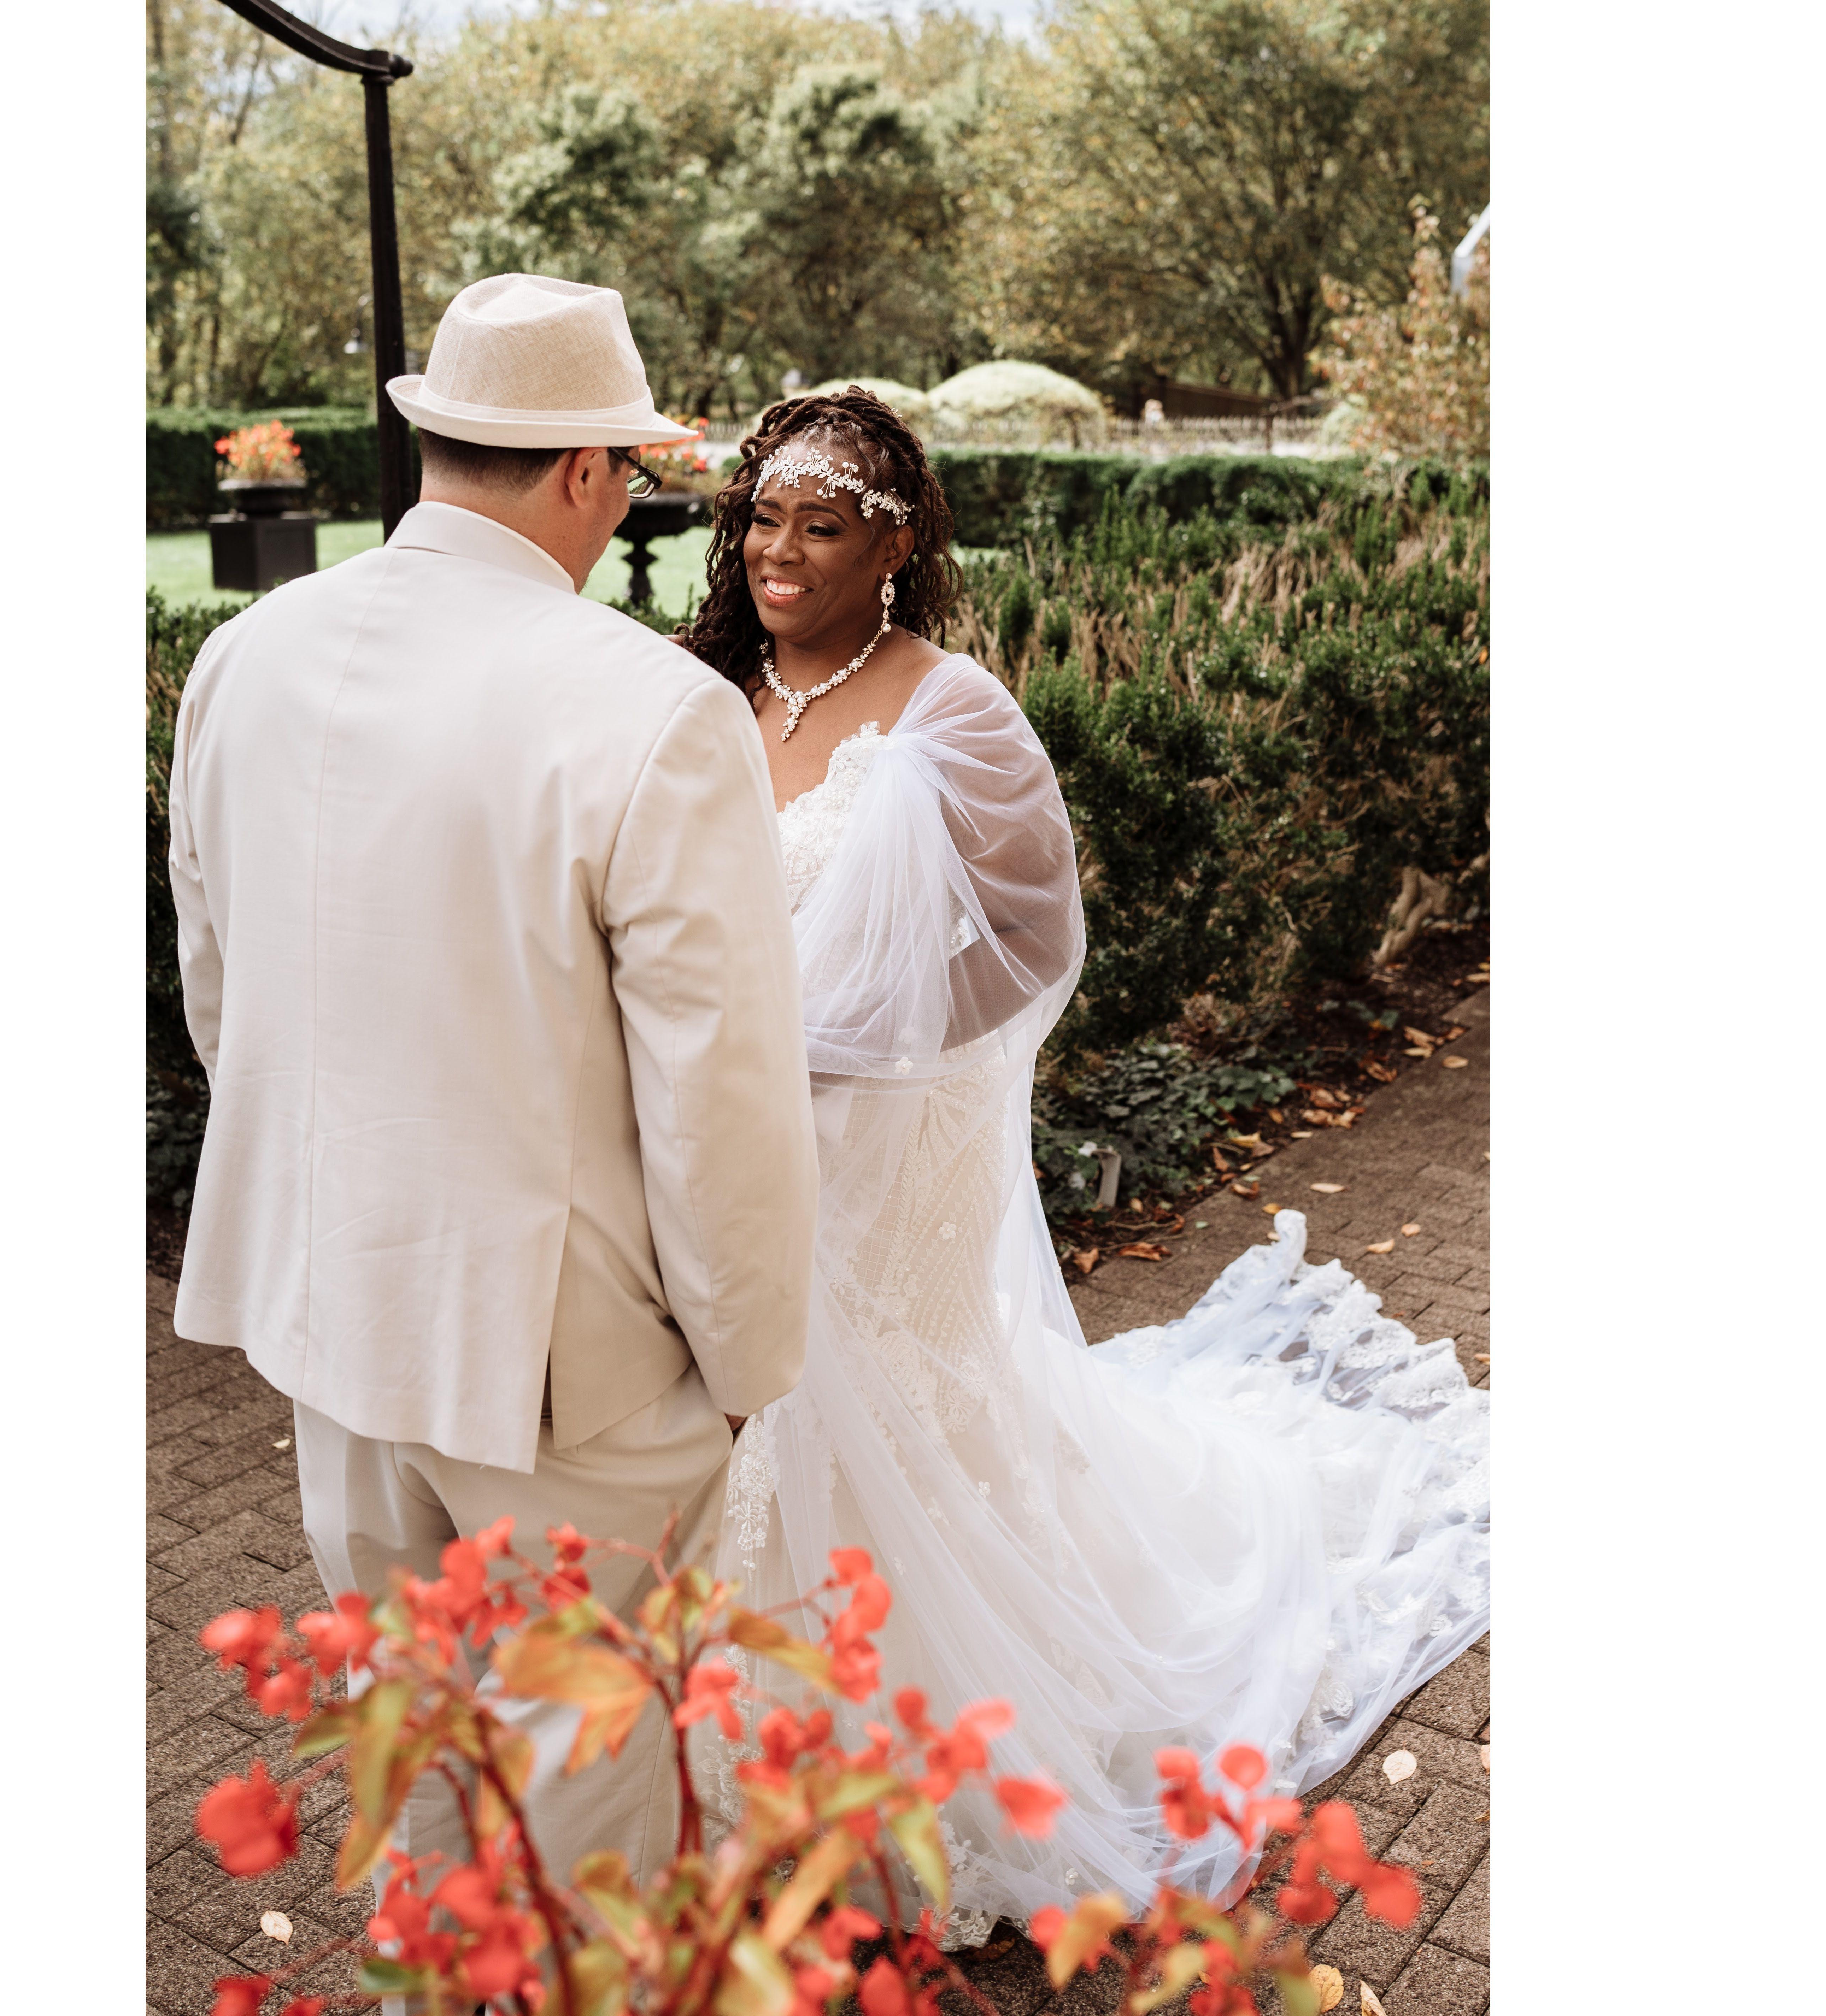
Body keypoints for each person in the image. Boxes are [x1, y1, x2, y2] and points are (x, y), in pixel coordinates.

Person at [674, 388, 1490, 1940]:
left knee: (879, 1399)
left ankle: (898, 1736)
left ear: (895, 542)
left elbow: (1035, 941)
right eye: (762, 518)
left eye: (820, 523)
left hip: (886, 1147)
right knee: (742, 1409)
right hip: (713, 1133)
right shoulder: (694, 690)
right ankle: (740, 1729)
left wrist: (885, 1057)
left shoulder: (949, 706)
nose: (780, 550)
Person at [165, 273, 820, 1909]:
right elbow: (719, 1094)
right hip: (568, 1369)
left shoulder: (244, 654)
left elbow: (219, 991)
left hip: (333, 1317)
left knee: (422, 1755)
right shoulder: (653, 708)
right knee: (588, 1816)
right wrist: (744, 1362)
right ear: (589, 471)